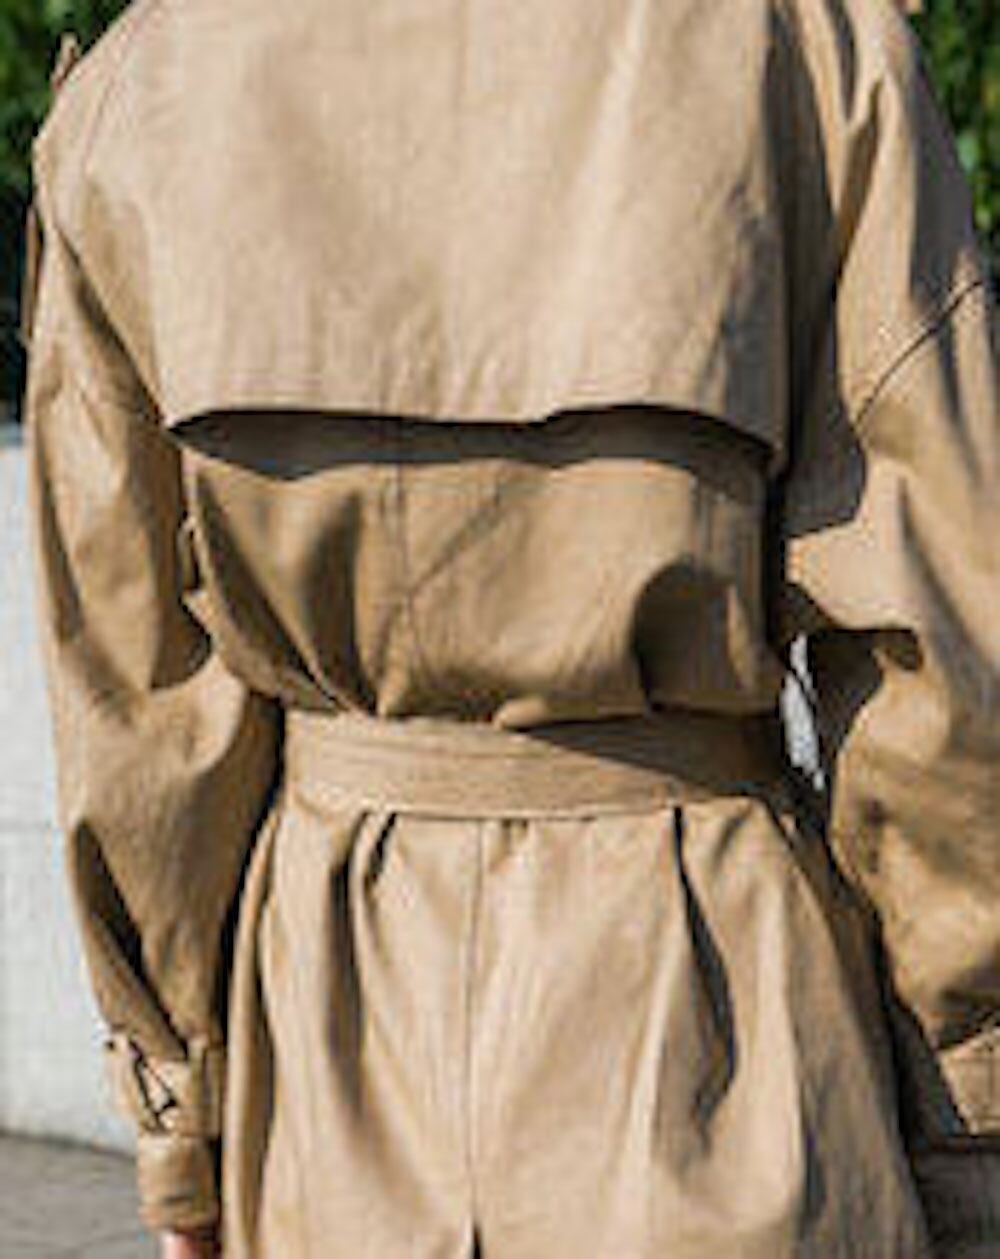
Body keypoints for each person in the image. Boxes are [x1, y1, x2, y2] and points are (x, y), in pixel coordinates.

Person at [20, 0, 998, 1255]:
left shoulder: (148, 81)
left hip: (328, 1042)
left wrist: (181, 1120)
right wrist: (967, 1110)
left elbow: (136, 704)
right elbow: (936, 666)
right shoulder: (810, 51)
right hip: (717, 1010)